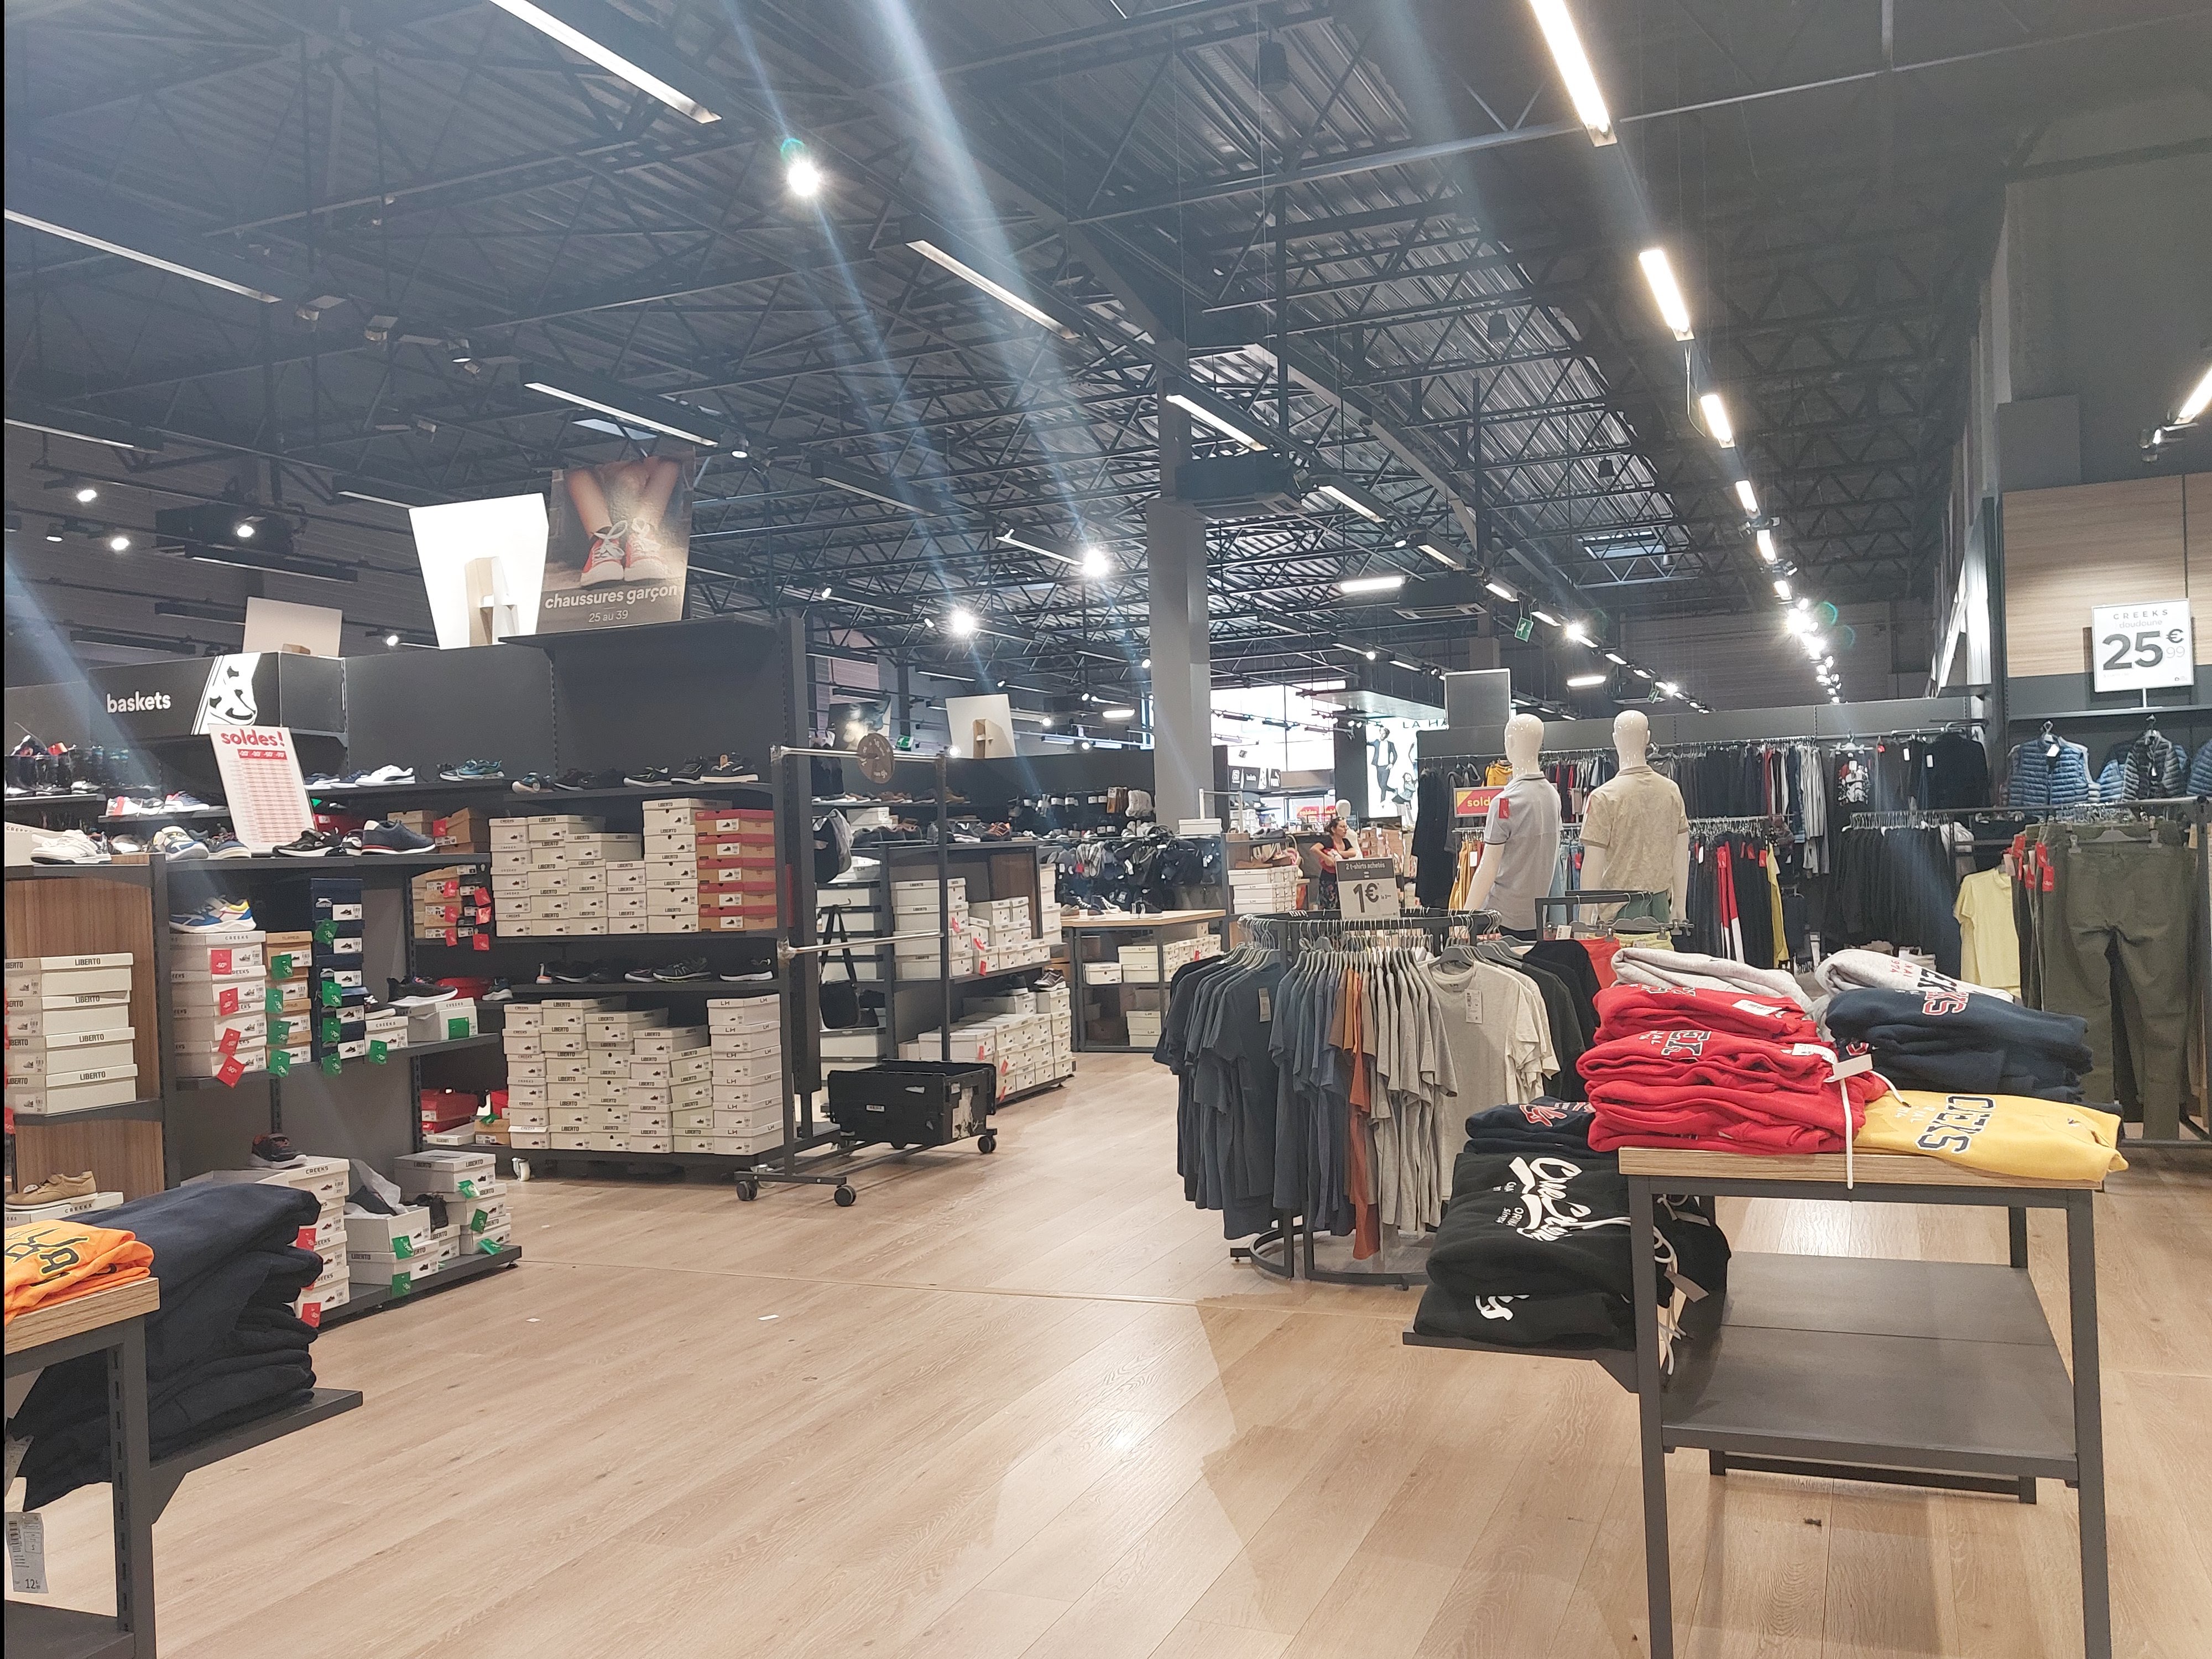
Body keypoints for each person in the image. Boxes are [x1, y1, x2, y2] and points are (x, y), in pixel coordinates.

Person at [564, 456, 684, 587]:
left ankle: (643, 538)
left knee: (670, 459)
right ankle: (602, 544)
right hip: (590, 530)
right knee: (575, 464)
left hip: (655, 528)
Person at [1314, 816, 1355, 909]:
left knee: (1343, 904)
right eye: (1342, 827)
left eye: (1346, 827)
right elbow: (1314, 849)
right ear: (1334, 829)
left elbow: (1353, 853)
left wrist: (1337, 854)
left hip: (1342, 877)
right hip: (1328, 878)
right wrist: (1327, 858)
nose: (1345, 829)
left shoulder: (1346, 842)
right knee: (1328, 905)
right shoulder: (1328, 841)